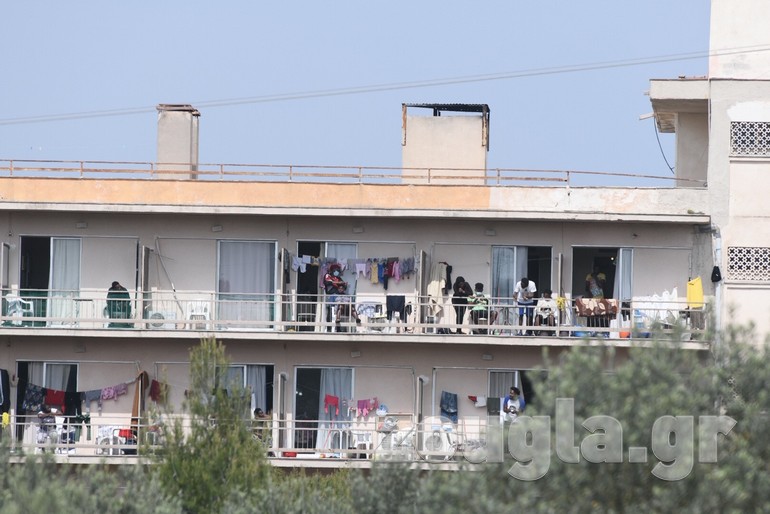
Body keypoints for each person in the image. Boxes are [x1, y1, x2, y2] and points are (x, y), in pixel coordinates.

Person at [322, 263, 360, 330]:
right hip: (332, 296)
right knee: (335, 310)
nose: (337, 272)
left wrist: (344, 284)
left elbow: (343, 285)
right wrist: (338, 283)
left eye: (338, 270)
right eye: (335, 270)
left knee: (350, 306)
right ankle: (333, 327)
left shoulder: (338, 278)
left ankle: (357, 319)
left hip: (342, 300)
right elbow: (328, 282)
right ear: (332, 270)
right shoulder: (328, 275)